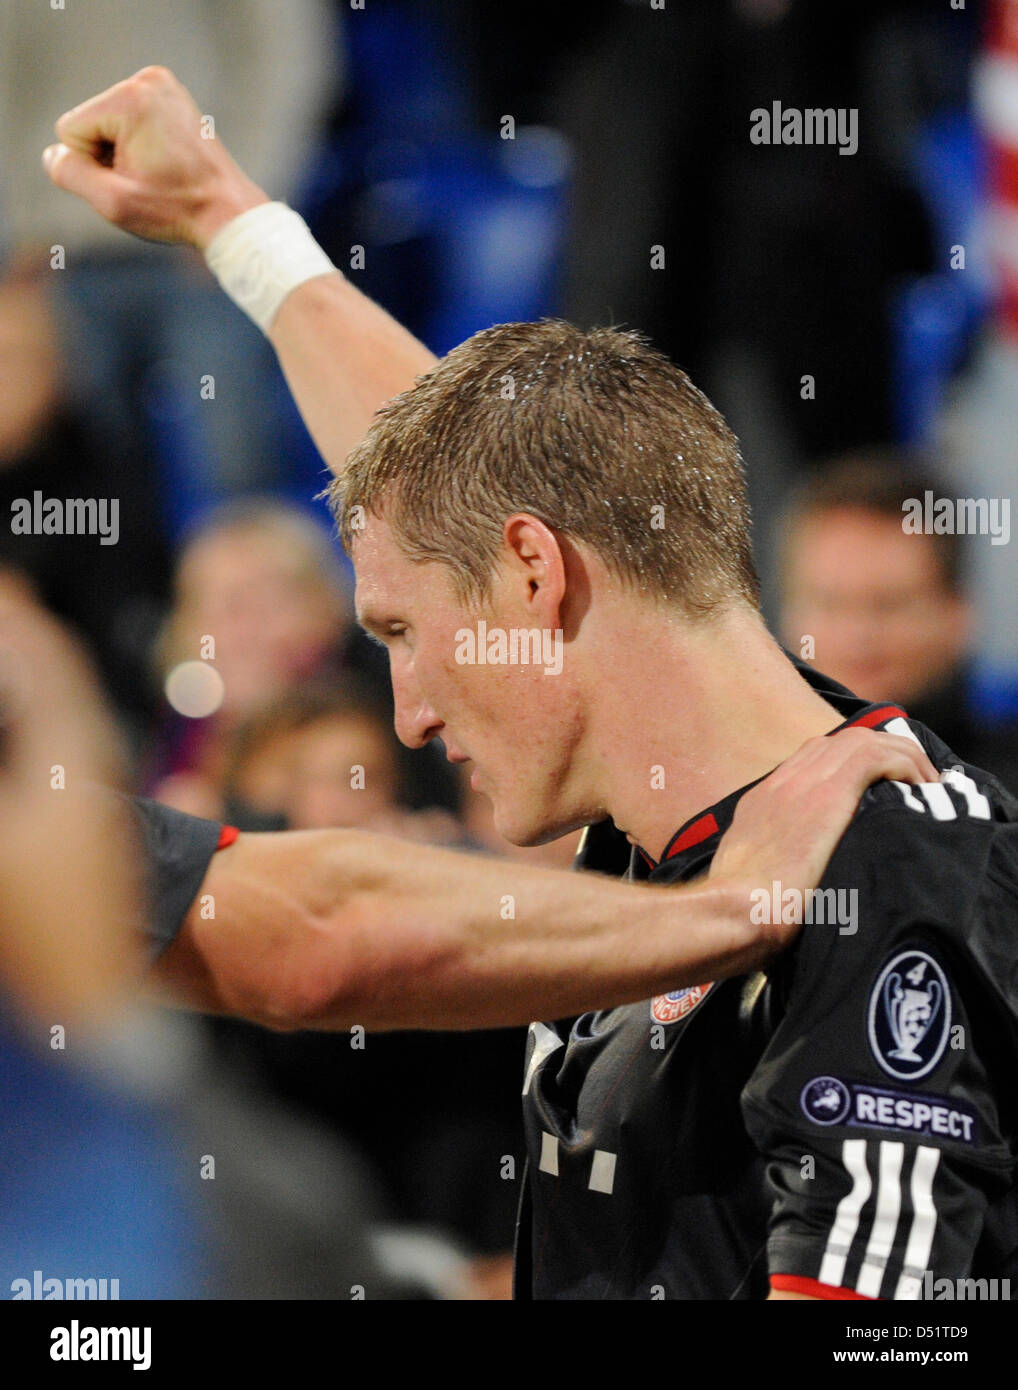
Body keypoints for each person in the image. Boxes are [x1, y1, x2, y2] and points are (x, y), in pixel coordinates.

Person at [40, 69, 987, 1304]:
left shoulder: (875, 868)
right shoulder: (681, 827)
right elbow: (454, 520)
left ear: (535, 573)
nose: (411, 716)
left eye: (399, 635)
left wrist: (234, 219)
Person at [778, 453, 1018, 793]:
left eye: (889, 605)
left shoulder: (1004, 805)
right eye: (830, 603)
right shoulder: (736, 789)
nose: (858, 635)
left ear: (959, 612)